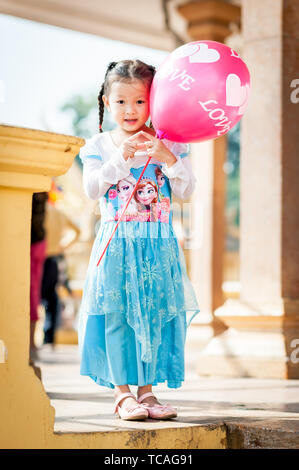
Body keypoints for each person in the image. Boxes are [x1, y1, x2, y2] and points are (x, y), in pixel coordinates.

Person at [78, 59, 200, 421]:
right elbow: (91, 188)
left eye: (140, 102)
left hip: (157, 244)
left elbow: (188, 190)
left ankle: (147, 393)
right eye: (121, 102)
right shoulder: (98, 144)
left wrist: (167, 159)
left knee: (154, 312)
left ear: (155, 102)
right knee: (117, 316)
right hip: (117, 243)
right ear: (105, 101)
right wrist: (120, 158)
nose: (130, 110)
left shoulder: (170, 143)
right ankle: (122, 394)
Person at [41, 199, 80, 347]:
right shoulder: (59, 213)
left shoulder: (40, 211)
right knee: (51, 298)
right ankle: (49, 338)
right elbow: (77, 231)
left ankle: (35, 339)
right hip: (54, 258)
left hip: (38, 257)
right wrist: (64, 245)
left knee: (36, 297)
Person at [30, 192, 48, 361]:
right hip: (39, 242)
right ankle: (31, 344)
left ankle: (30, 343)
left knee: (32, 294)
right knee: (33, 294)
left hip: (33, 243)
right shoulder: (43, 190)